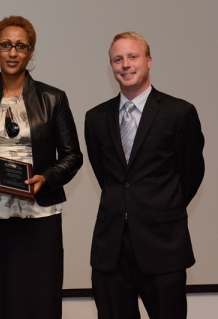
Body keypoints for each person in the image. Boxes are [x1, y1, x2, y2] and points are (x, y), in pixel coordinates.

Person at [0, 16, 83, 319]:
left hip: (38, 216)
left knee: (39, 300)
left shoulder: (53, 98)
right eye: (5, 45)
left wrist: (47, 177)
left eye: (20, 46)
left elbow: (72, 156)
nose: (13, 52)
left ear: (31, 52)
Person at [84, 31, 205, 319]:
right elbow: (107, 177)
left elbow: (191, 174)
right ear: (111, 66)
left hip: (163, 245)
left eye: (132, 56)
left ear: (148, 61)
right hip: (111, 250)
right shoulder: (96, 117)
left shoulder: (179, 112)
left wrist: (160, 207)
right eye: (117, 59)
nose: (125, 64)